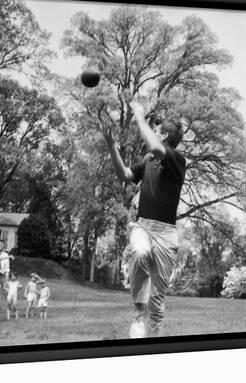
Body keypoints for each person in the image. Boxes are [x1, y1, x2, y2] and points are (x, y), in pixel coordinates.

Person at [101, 98, 186, 338]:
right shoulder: (148, 160)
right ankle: (139, 314)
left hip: (167, 234)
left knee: (157, 301)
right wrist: (111, 146)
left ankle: (151, 347)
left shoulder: (177, 160)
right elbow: (126, 174)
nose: (153, 133)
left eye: (157, 130)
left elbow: (158, 149)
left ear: (164, 135)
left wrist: (139, 115)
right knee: (139, 252)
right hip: (144, 225)